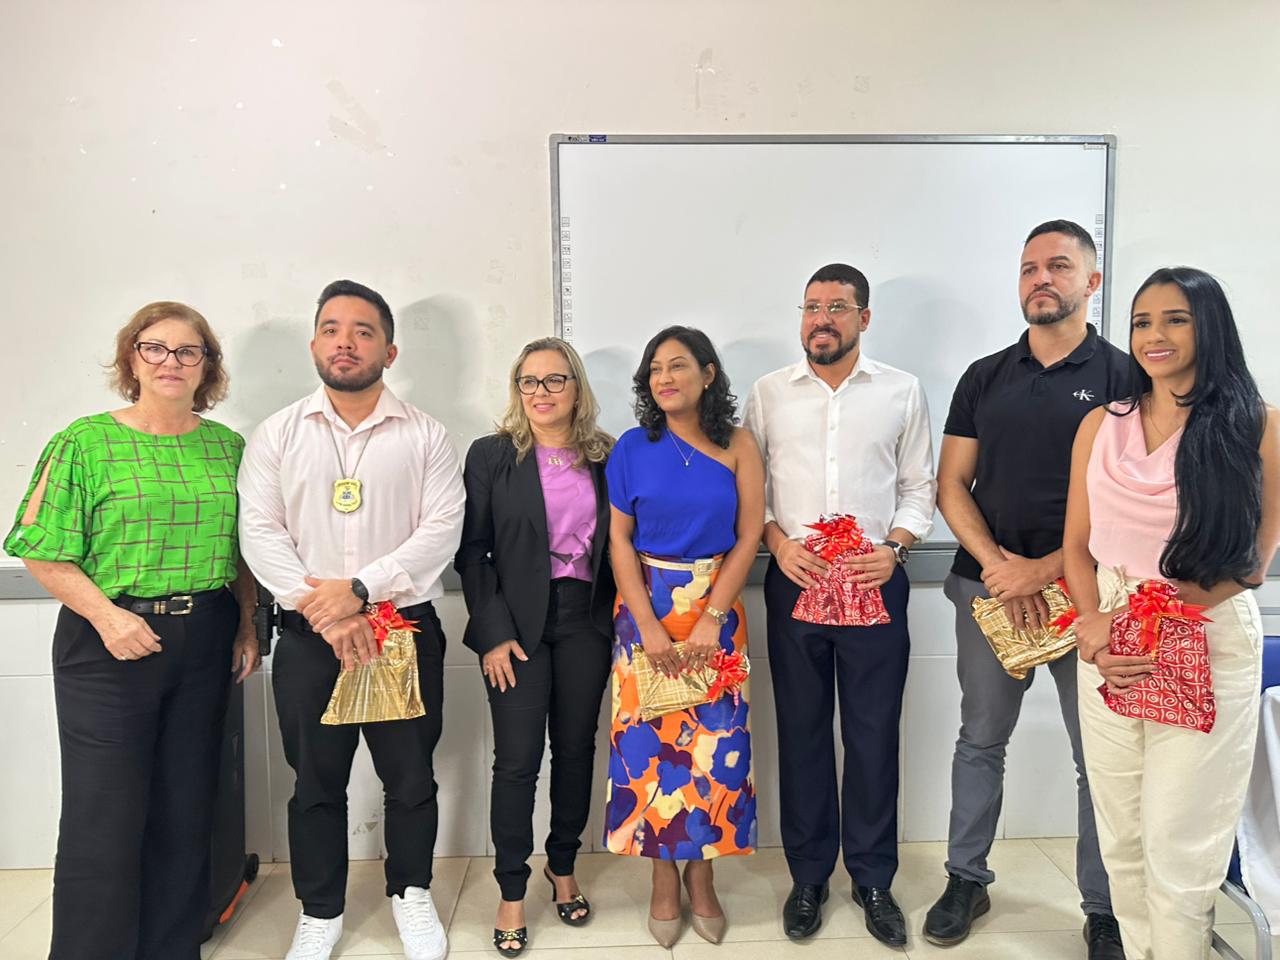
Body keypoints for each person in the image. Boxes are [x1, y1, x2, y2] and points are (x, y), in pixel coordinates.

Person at [4, 301, 260, 960]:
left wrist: (246, 624)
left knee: (186, 807)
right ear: (132, 358)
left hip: (205, 637)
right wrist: (108, 617)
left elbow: (242, 552)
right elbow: (39, 548)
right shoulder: (85, 442)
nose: (171, 361)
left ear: (207, 366)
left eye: (188, 351)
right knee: (105, 815)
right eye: (155, 348)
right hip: (108, 641)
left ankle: (173, 948)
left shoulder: (228, 448)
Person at [237, 279, 465, 960]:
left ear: (389, 351)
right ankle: (321, 909)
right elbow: (259, 532)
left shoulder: (426, 434)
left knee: (410, 777)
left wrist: (361, 590)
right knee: (315, 783)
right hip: (309, 639)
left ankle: (411, 893)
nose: (346, 342)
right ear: (314, 344)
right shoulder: (278, 433)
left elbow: (441, 532)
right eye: (332, 329)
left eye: (364, 331)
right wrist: (325, 611)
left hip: (402, 632)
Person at [924, 220, 1128, 958]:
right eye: (1029, 268)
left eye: (1059, 266)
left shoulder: (1127, 379)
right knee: (980, 740)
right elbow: (952, 484)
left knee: (1098, 755)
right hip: (987, 593)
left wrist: (1041, 572)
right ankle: (966, 879)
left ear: (1091, 282)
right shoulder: (985, 376)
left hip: (1090, 598)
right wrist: (998, 567)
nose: (1041, 279)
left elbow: (1134, 500)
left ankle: (1104, 909)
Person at [1064, 267, 1279, 960]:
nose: (1154, 335)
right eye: (1141, 322)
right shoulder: (1101, 423)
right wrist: (1095, 627)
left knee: (1178, 848)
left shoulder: (1258, 426)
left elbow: (1251, 564)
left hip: (1203, 635)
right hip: (1108, 641)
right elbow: (1076, 546)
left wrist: (1133, 623)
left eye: (1175, 319)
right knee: (1123, 842)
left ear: (1209, 326)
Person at [743, 263, 934, 948]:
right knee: (802, 732)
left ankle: (874, 878)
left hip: (873, 582)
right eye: (811, 307)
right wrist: (776, 543)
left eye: (837, 307)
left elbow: (919, 485)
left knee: (873, 734)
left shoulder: (902, 391)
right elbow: (751, 490)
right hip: (795, 582)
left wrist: (897, 547)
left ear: (864, 318)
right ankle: (809, 877)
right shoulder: (768, 394)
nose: (821, 319)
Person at [604, 326, 763, 947]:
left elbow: (750, 535)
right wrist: (647, 623)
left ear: (708, 374)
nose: (664, 378)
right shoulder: (631, 447)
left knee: (714, 753)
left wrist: (712, 616)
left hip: (717, 611)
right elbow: (619, 539)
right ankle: (662, 875)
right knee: (649, 752)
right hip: (643, 608)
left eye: (677, 365)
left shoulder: (739, 444)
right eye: (655, 369)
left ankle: (703, 872)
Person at [455, 337, 615, 955]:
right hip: (515, 625)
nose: (541, 393)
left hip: (585, 620)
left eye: (554, 380)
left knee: (575, 750)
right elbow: (473, 552)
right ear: (516, 389)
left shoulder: (606, 456)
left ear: (577, 388)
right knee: (518, 761)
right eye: (529, 381)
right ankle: (512, 889)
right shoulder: (493, 455)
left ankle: (563, 866)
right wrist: (492, 633)